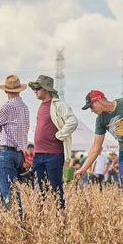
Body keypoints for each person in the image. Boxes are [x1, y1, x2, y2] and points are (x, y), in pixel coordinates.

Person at [75, 90, 123, 191]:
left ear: (98, 100)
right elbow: (96, 147)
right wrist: (83, 169)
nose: (91, 111)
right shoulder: (100, 120)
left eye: (91, 106)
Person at [29, 75, 78, 210]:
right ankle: (43, 218)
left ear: (46, 89)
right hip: (39, 154)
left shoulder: (59, 105)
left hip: (53, 154)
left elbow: (73, 122)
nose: (35, 90)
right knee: (40, 190)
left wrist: (60, 135)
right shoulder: (40, 106)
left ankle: (59, 218)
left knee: (56, 189)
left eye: (37, 88)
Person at [0, 75, 29, 219]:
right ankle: (19, 217)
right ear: (19, 90)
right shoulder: (24, 108)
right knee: (15, 189)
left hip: (5, 152)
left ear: (6, 91)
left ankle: (10, 221)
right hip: (18, 153)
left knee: (6, 190)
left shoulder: (7, 107)